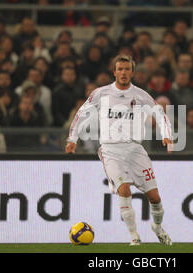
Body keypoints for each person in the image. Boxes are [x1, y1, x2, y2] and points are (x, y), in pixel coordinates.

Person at [65, 55, 173, 246]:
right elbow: (82, 113)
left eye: (127, 69)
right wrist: (72, 138)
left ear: (132, 72)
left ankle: (157, 227)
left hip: (135, 150)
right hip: (110, 150)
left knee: (155, 198)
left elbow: (159, 112)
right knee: (124, 189)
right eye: (120, 69)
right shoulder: (101, 93)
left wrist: (167, 134)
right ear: (114, 72)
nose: (123, 73)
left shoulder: (140, 94)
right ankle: (134, 236)